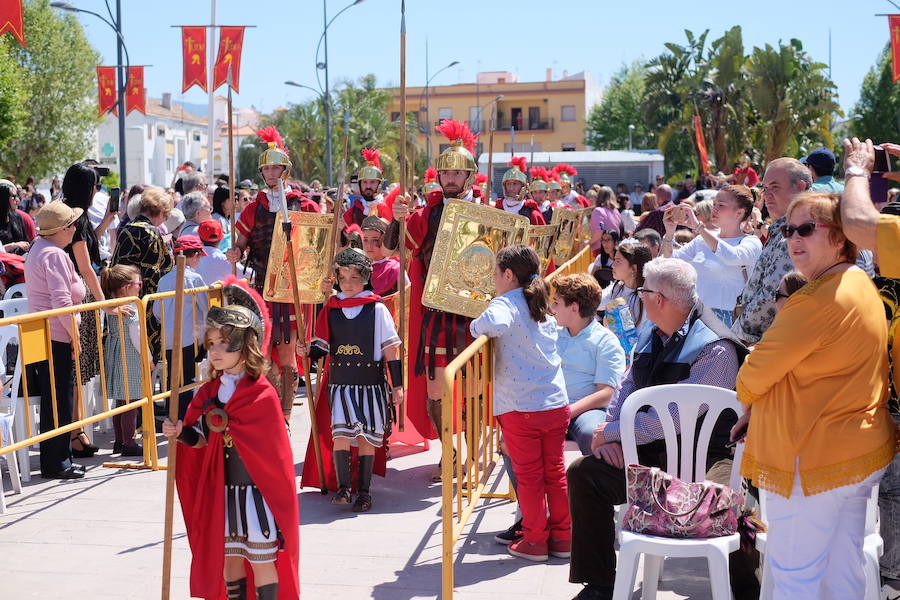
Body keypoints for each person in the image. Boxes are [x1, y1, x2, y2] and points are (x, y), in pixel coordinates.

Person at [734, 192, 895, 598]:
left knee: (795, 577)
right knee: (844, 574)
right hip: (851, 453)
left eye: (807, 228)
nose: (794, 239)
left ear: (841, 238)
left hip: (812, 456)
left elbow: (750, 377)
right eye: (789, 230)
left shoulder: (814, 302)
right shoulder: (859, 282)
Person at [567, 257, 746, 600]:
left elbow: (676, 418)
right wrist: (610, 430)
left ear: (659, 299)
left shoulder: (716, 347)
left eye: (642, 291)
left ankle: (744, 592)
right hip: (652, 451)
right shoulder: (654, 330)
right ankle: (601, 585)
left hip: (706, 455)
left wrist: (616, 432)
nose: (639, 297)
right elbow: (627, 383)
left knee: (726, 504)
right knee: (584, 474)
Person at [163, 278, 299, 600]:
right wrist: (180, 432)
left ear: (244, 345)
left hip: (258, 493)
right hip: (223, 492)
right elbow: (201, 440)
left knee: (263, 560)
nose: (215, 352)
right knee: (230, 562)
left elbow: (272, 456)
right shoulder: (209, 392)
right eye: (211, 344)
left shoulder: (261, 394)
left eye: (224, 343)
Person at [385, 119, 480, 481]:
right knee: (436, 391)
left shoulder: (489, 214)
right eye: (447, 173)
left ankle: (473, 454)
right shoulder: (428, 213)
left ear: (470, 178)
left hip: (473, 316)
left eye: (458, 173)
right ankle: (449, 452)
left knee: (473, 391)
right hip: (436, 314)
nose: (451, 179)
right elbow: (397, 246)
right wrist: (398, 217)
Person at [470, 245, 571, 562]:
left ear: (508, 275)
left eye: (496, 273)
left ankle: (535, 541)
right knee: (554, 473)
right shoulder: (539, 301)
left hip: (521, 405)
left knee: (529, 477)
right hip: (554, 400)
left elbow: (491, 325)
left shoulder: (507, 303)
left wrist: (476, 325)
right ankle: (563, 538)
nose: (494, 280)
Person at [299, 249, 403, 511]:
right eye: (343, 277)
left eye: (354, 278)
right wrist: (306, 351)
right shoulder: (331, 308)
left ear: (365, 278)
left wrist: (398, 385)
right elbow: (321, 348)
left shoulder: (377, 309)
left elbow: (391, 350)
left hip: (370, 384)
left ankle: (364, 493)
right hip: (342, 385)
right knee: (341, 436)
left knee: (367, 438)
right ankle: (344, 489)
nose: (348, 283)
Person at [227, 127, 318, 422]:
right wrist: (235, 253)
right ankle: (272, 412)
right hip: (265, 284)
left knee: (289, 355)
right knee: (267, 356)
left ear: (285, 169)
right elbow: (241, 244)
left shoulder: (304, 205)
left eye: (275, 167)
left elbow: (317, 245)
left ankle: (287, 416)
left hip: (293, 286)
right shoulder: (254, 208)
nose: (270, 172)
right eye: (266, 168)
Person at [26, 202, 86, 479]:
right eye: (72, 225)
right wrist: (75, 337)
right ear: (62, 230)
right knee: (60, 398)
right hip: (56, 334)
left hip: (43, 332)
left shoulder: (39, 249)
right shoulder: (54, 255)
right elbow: (61, 300)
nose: (75, 229)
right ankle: (57, 461)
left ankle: (60, 458)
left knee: (56, 400)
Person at [62, 162, 116, 457]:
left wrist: (107, 222)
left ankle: (76, 430)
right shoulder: (77, 217)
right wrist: (103, 302)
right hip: (79, 296)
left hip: (67, 293)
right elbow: (85, 265)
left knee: (77, 368)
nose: (99, 190)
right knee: (79, 367)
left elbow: (84, 245)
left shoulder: (64, 212)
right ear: (88, 188)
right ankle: (74, 431)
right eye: (96, 185)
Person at [731, 157, 811, 345]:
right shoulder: (785, 228)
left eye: (775, 187)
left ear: (800, 187)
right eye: (765, 188)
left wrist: (739, 333)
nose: (766, 195)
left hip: (766, 342)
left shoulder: (797, 233)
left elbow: (771, 296)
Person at [662, 185, 762, 327]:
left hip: (731, 319)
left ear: (739, 213)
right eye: (714, 204)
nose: (714, 209)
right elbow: (669, 262)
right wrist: (669, 232)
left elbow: (732, 256)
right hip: (699, 315)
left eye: (721, 205)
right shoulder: (702, 239)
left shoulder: (751, 241)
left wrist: (699, 227)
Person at [551, 273, 625, 456]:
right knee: (510, 440)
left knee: (594, 435)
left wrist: (567, 413)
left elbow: (607, 393)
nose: (552, 309)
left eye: (557, 303)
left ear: (574, 308)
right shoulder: (551, 333)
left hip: (585, 411)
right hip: (550, 408)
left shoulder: (606, 341)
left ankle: (594, 483)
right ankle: (529, 486)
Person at [112, 186, 175, 360]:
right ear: (161, 212)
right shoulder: (151, 232)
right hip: (143, 302)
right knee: (144, 353)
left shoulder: (127, 228)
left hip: (121, 296)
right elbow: (156, 272)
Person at [153, 235, 208, 420]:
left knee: (171, 378)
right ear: (195, 255)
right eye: (199, 256)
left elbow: (157, 312)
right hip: (188, 337)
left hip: (168, 337)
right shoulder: (195, 278)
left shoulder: (164, 280)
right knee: (187, 379)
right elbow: (206, 307)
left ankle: (172, 415)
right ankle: (184, 418)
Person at [100, 264, 149, 456]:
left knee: (121, 401)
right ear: (126, 287)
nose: (140, 287)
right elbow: (136, 334)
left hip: (115, 352)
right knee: (132, 402)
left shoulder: (112, 304)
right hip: (129, 354)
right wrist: (148, 357)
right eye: (138, 283)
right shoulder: (131, 306)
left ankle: (120, 441)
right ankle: (129, 442)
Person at [600, 239, 651, 327]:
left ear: (633, 268)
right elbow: (597, 302)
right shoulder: (617, 287)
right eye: (614, 260)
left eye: (618, 261)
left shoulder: (644, 298)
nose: (612, 265)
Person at [344, 148, 394, 227]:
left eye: (372, 182)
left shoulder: (389, 208)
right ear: (360, 184)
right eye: (364, 182)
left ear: (379, 184)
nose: (368, 186)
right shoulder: (353, 211)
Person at [360, 214, 405, 296]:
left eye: (375, 240)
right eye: (365, 240)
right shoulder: (356, 268)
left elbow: (405, 300)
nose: (369, 246)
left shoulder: (395, 268)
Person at [196, 219, 252, 284]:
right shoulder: (225, 260)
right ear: (221, 238)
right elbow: (251, 275)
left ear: (200, 237)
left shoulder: (192, 259)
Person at [496, 157, 545, 224]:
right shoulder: (497, 209)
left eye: (515, 184)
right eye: (508, 184)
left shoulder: (532, 214)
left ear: (523, 187)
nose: (511, 188)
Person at [0, 180, 33, 254]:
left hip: (18, 262)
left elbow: (26, 241)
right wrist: (13, 245)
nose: (17, 200)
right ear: (3, 198)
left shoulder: (18, 217)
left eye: (17, 196)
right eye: (14, 196)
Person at [589, 187, 622, 254]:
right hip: (614, 247)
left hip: (602, 249)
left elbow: (600, 230)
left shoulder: (598, 211)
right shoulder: (616, 211)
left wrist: (589, 242)